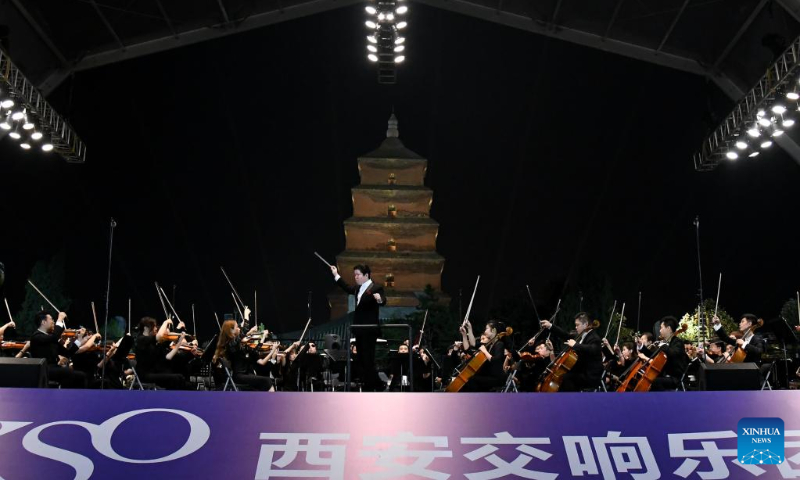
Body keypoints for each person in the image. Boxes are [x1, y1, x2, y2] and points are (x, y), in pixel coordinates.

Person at [330, 264, 386, 391]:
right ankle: (374, 384)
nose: (355, 277)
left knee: (368, 358)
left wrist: (379, 300)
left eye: (358, 275)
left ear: (366, 275)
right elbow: (347, 288)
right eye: (354, 275)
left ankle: (373, 385)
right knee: (360, 358)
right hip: (359, 328)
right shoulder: (358, 288)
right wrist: (336, 274)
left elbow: (383, 301)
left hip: (369, 328)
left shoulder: (376, 287)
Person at [540, 312, 603, 392]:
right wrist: (550, 326)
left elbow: (592, 349)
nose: (575, 327)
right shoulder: (580, 335)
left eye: (577, 325)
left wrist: (575, 345)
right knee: (564, 376)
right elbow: (565, 335)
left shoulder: (594, 338)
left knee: (566, 378)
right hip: (580, 371)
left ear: (586, 324)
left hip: (589, 375)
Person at [28, 311, 87, 388]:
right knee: (67, 372)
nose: (53, 322)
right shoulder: (36, 336)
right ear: (43, 322)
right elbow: (54, 337)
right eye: (51, 319)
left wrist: (79, 340)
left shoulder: (50, 338)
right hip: (44, 369)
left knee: (81, 376)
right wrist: (60, 319)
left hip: (54, 368)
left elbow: (67, 353)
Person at [213, 319, 272, 391]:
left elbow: (255, 350)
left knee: (262, 386)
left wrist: (262, 337)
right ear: (231, 331)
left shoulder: (241, 344)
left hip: (247, 374)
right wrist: (246, 318)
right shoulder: (231, 344)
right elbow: (241, 335)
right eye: (237, 327)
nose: (239, 328)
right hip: (239, 376)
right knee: (267, 381)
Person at [134, 317, 187, 389]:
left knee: (180, 377)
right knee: (176, 379)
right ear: (146, 328)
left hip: (154, 372)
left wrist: (179, 339)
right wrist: (165, 322)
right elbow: (159, 336)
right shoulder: (141, 339)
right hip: (144, 375)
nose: (156, 328)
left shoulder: (152, 342)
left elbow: (166, 341)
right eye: (154, 326)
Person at [641, 316, 688, 391]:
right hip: (664, 375)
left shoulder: (678, 342)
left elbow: (673, 353)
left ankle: (664, 401)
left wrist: (663, 345)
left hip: (675, 377)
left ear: (668, 328)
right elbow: (651, 355)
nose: (659, 331)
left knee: (655, 382)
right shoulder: (664, 343)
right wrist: (641, 346)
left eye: (661, 328)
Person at [461, 320, 509, 392]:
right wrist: (469, 329)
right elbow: (473, 343)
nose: (485, 331)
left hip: (496, 378)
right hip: (488, 376)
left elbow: (496, 361)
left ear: (493, 330)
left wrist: (485, 351)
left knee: (472, 380)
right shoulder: (489, 344)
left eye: (486, 329)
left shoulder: (499, 344)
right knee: (470, 380)